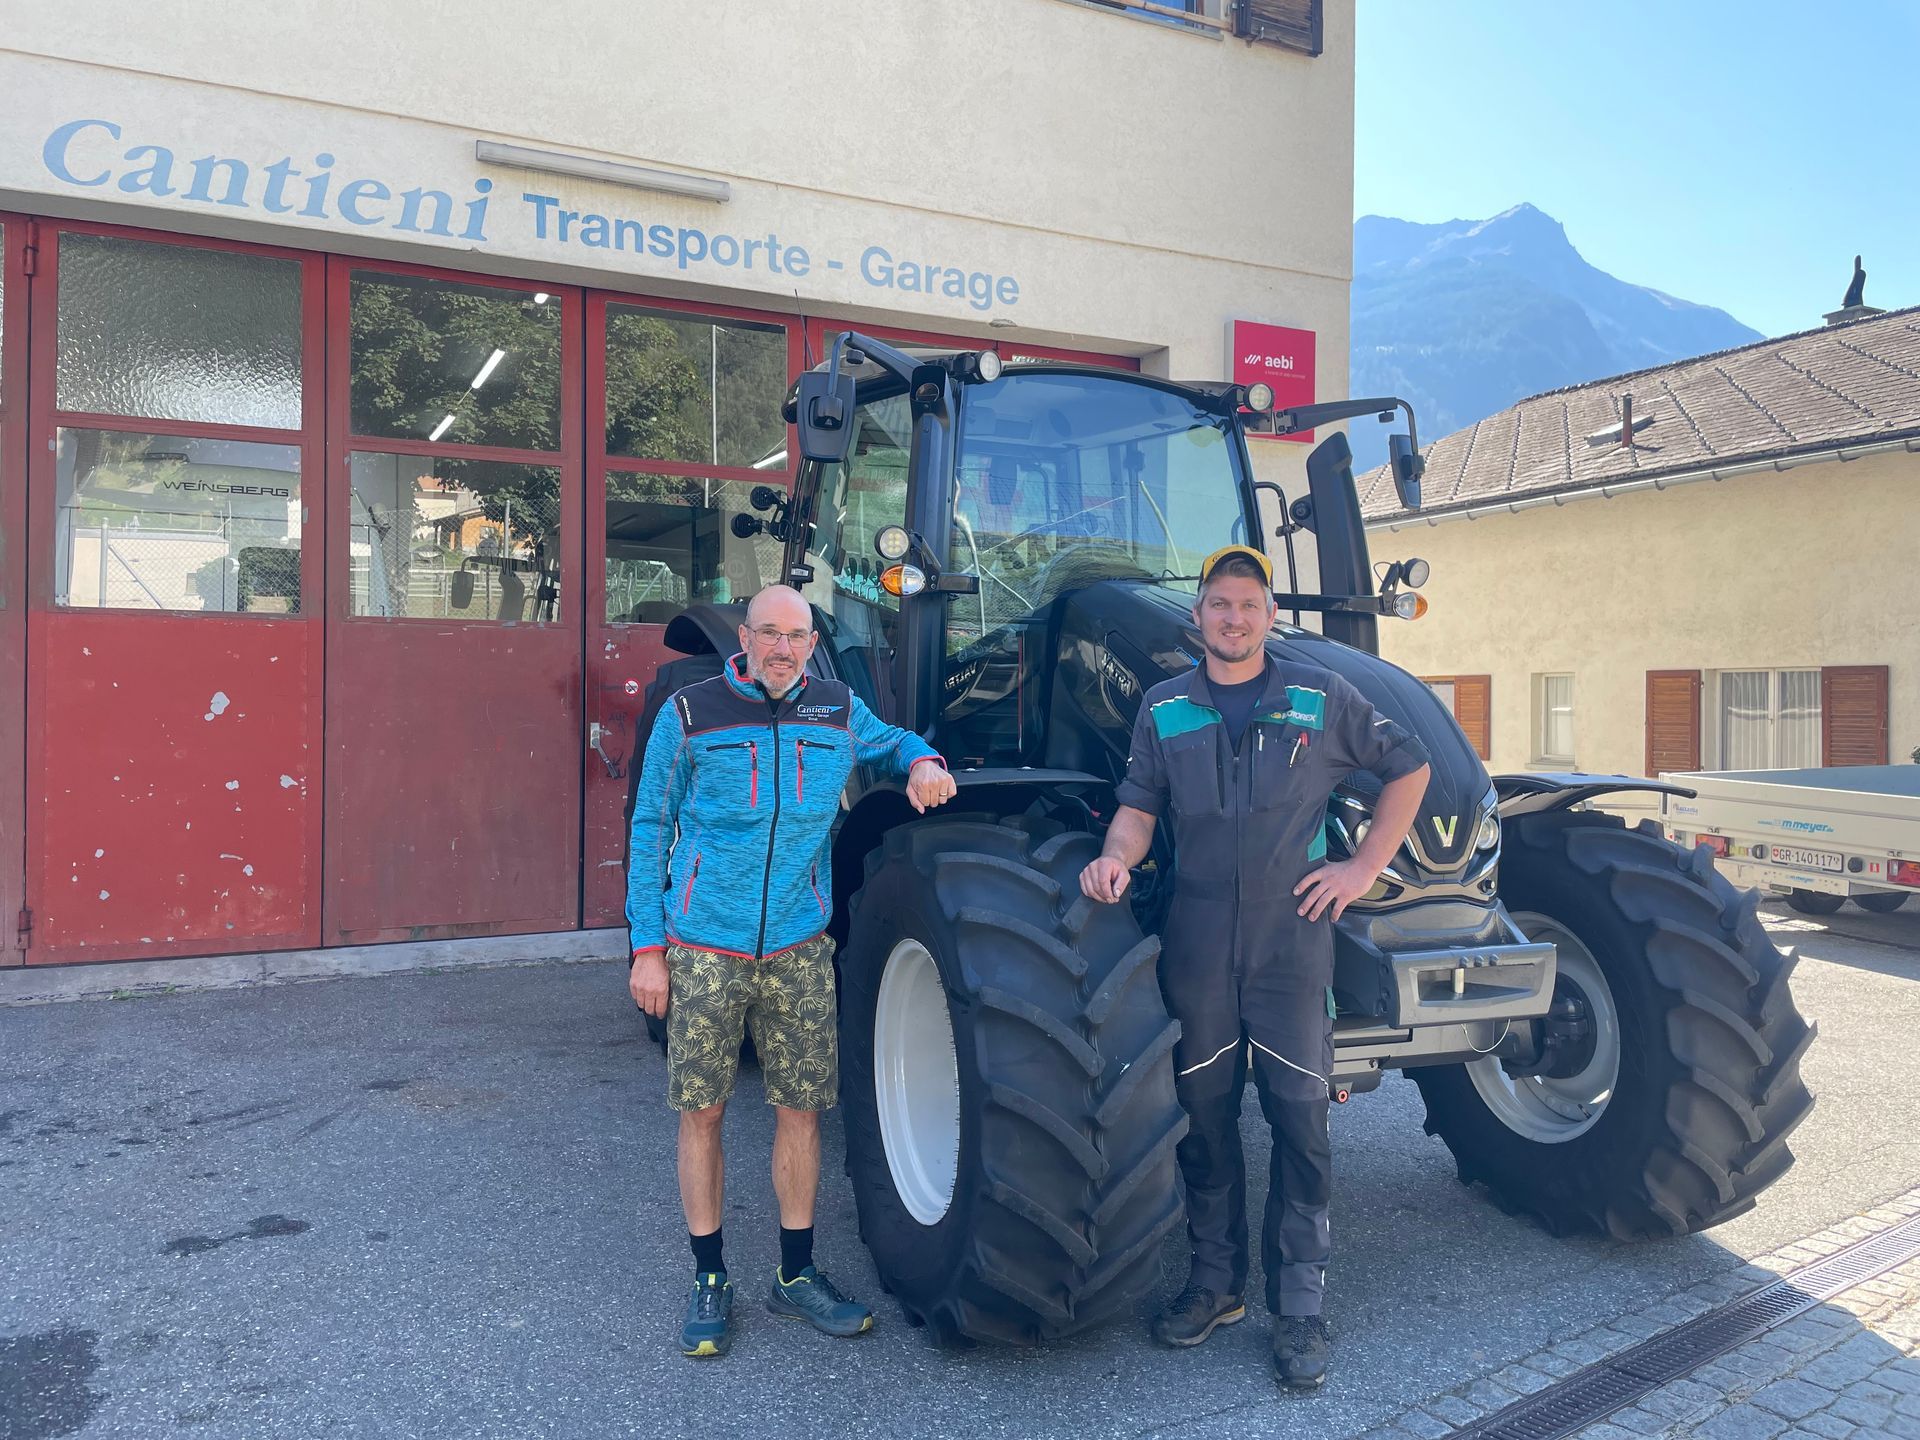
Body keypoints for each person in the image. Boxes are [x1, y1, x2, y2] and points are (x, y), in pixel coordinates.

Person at [1078, 545, 1431, 1389]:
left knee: (1301, 1124)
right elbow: (1138, 807)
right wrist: (1115, 857)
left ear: (1270, 617)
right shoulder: (1165, 707)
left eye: (1248, 604)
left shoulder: (1321, 696)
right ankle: (1215, 1285)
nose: (1233, 618)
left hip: (1291, 946)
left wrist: (1361, 869)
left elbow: (1409, 768)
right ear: (1197, 617)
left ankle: (1300, 1308)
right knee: (1203, 1119)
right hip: (1198, 942)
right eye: (1219, 604)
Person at [627, 585, 958, 1358]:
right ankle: (710, 1275)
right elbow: (650, 825)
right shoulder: (691, 713)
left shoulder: (837, 709)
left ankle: (796, 1273)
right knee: (703, 1113)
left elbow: (893, 740)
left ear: (813, 645)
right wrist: (647, 948)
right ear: (744, 638)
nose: (782, 648)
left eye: (797, 636)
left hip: (799, 949)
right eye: (769, 633)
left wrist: (924, 761)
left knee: (802, 1111)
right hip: (705, 947)